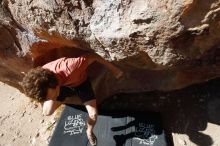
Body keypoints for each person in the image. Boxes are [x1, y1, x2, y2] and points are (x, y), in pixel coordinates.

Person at [22, 52, 123, 146]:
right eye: (48, 98)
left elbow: (93, 55)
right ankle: (64, 97)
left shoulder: (71, 67)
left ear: (52, 84)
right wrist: (49, 98)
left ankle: (89, 131)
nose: (51, 99)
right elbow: (44, 95)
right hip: (62, 88)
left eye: (50, 96)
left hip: (80, 83)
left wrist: (114, 69)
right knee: (47, 112)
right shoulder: (43, 83)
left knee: (93, 114)